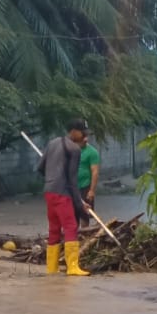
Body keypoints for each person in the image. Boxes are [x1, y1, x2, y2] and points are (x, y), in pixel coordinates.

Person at [38, 119, 91, 277]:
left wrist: (51, 178)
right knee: (70, 226)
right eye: (83, 133)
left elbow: (40, 167)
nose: (84, 137)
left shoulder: (52, 143)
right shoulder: (74, 149)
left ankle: (52, 268)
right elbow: (73, 181)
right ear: (74, 131)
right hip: (62, 193)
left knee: (54, 228)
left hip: (49, 191)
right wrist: (80, 205)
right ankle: (73, 267)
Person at [78, 132, 101, 218]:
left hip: (85, 187)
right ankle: (74, 231)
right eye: (83, 137)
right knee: (72, 215)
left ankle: (85, 231)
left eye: (86, 137)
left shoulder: (92, 152)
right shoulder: (71, 150)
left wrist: (92, 191)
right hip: (72, 187)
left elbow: (95, 172)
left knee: (85, 215)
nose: (85, 139)